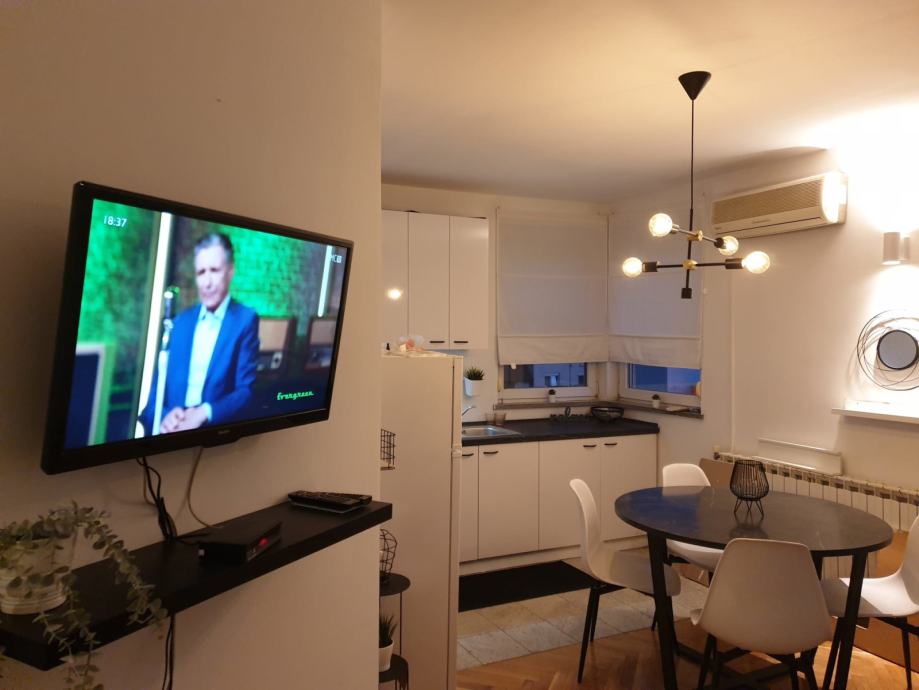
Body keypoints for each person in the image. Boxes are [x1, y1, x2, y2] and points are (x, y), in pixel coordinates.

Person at [140, 233, 259, 435]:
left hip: (213, 434)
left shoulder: (245, 320)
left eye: (214, 270)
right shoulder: (180, 323)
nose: (207, 282)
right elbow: (153, 400)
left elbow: (245, 392)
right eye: (201, 272)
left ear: (230, 271)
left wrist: (205, 412)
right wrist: (164, 417)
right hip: (171, 434)